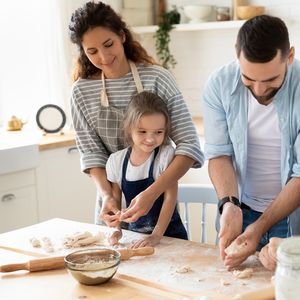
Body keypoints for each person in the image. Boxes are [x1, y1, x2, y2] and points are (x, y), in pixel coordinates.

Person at [69, 2, 204, 227]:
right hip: (111, 208)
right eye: (92, 51)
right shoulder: (81, 92)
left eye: (108, 44)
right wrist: (107, 196)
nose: (103, 56)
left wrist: (152, 193)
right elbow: (92, 154)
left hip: (158, 203)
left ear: (122, 36)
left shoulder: (158, 79)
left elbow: (189, 146)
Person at [203, 14, 300, 269]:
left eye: (270, 80)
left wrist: (260, 226)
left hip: (293, 217)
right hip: (239, 210)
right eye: (249, 79)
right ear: (237, 57)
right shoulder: (219, 84)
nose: (259, 90)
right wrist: (229, 205)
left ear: (289, 56)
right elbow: (219, 154)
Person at [105, 91, 188, 247]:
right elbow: (116, 202)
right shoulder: (116, 161)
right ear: (129, 128)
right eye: (142, 131)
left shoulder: (165, 155)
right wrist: (116, 229)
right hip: (137, 238)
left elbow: (170, 200)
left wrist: (156, 236)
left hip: (170, 237)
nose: (150, 139)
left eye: (158, 132)